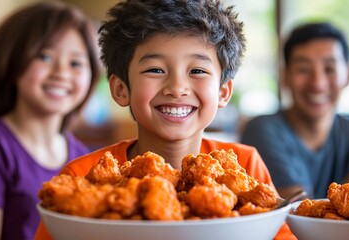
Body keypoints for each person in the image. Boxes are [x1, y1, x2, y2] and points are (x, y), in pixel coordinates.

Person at [34, 0, 295, 239]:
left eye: (197, 70)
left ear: (223, 91)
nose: (177, 87)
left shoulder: (246, 165)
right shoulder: (81, 178)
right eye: (155, 69)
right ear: (121, 89)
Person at [0, 1, 100, 239]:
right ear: (12, 61)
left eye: (76, 63)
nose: (61, 73)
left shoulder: (82, 156)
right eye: (44, 56)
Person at [240, 21, 349, 199]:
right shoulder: (263, 130)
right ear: (285, 76)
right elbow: (298, 212)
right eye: (303, 69)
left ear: (348, 75)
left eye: (330, 69)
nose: (318, 84)